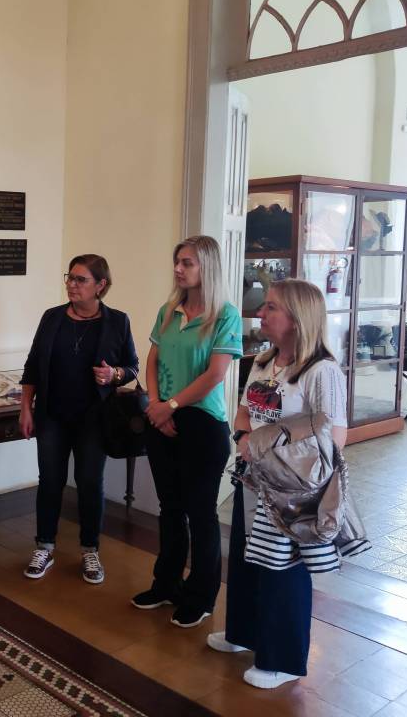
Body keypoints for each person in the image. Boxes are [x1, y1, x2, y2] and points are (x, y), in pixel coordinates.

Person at [208, 279, 347, 689]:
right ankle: (243, 633)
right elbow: (244, 412)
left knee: (283, 568)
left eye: (271, 307)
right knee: (246, 558)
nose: (260, 313)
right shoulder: (264, 361)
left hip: (291, 489)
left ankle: (282, 659)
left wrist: (282, 460)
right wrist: (244, 439)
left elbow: (335, 435)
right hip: (253, 480)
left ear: (297, 318)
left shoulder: (321, 371)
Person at [132, 235, 242, 627]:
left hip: (202, 423)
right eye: (177, 261)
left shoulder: (225, 315)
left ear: (206, 267)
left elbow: (215, 374)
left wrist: (172, 405)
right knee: (170, 508)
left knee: (200, 513)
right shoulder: (169, 311)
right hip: (162, 418)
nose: (178, 269)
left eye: (187, 263)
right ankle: (166, 585)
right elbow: (152, 359)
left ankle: (201, 597)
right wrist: (155, 404)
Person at [18, 254, 139, 583]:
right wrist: (26, 407)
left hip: (94, 418)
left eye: (80, 279)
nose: (72, 285)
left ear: (100, 285)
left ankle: (90, 550)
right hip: (52, 415)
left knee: (89, 482)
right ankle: (44, 546)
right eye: (69, 278)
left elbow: (131, 367)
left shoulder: (117, 321)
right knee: (50, 481)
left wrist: (114, 374)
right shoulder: (52, 317)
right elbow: (33, 365)